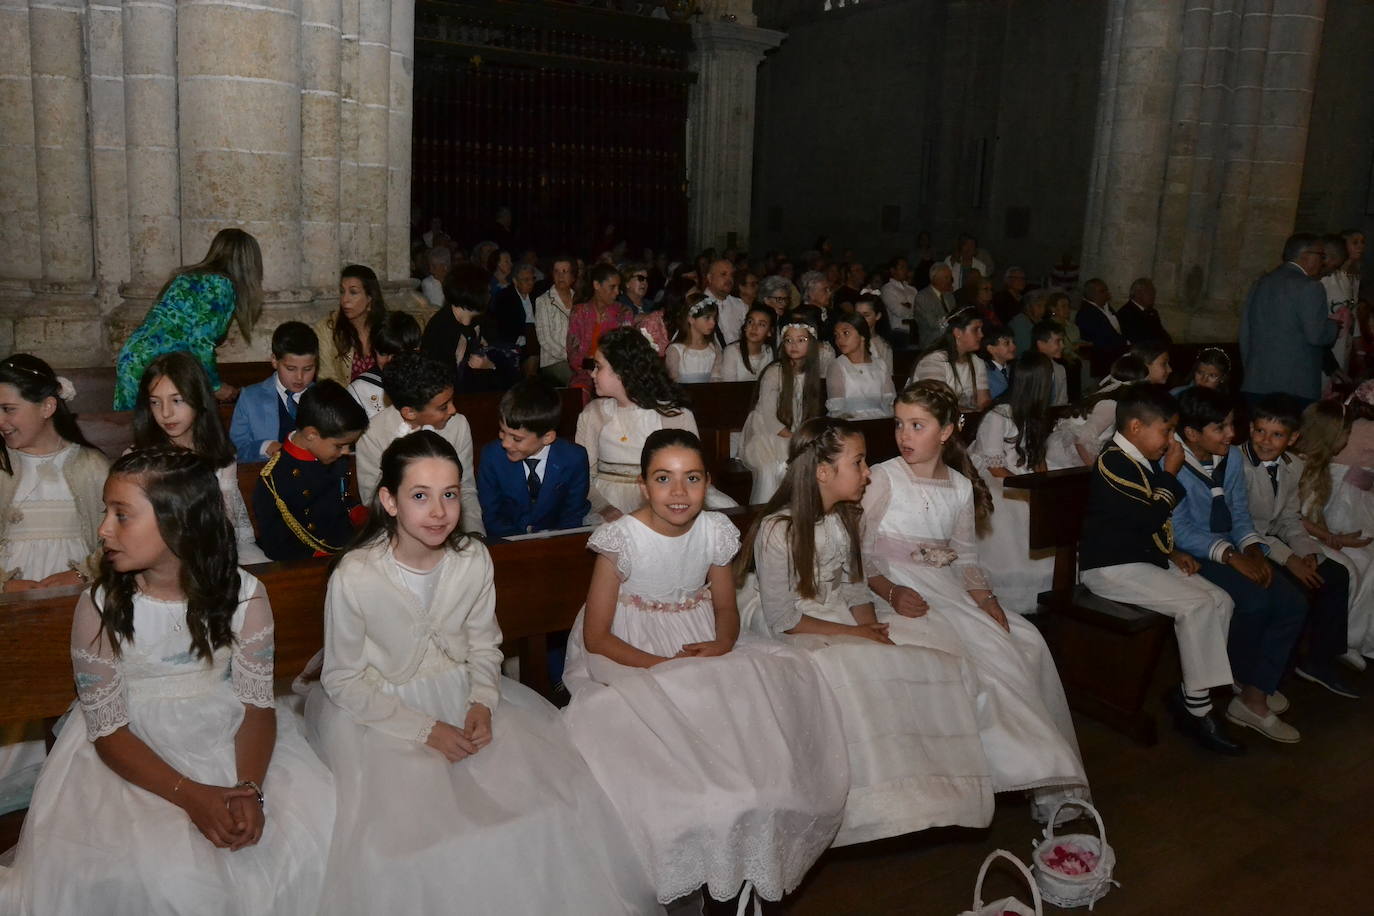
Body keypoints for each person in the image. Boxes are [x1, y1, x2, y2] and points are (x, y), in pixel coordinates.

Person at [302, 432, 658, 915]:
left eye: (449, 494)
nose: (439, 511)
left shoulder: (471, 559)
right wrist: (426, 730)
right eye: (420, 496)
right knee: (420, 845)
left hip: (467, 694)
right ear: (388, 500)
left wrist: (481, 702)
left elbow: (484, 646)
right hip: (384, 715)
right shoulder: (356, 574)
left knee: (550, 809)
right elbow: (342, 679)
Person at [0, 448, 334, 914]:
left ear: (179, 521)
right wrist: (192, 796)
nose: (103, 529)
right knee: (168, 878)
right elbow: (108, 730)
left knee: (312, 842)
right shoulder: (100, 606)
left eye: (121, 515)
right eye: (106, 512)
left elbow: (257, 706)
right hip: (133, 760)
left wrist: (249, 790)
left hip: (232, 742)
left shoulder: (245, 595)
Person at [560, 429, 848, 907]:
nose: (678, 493)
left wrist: (723, 642)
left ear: (707, 482)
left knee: (750, 725)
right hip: (629, 650)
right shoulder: (621, 539)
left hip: (699, 642)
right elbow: (597, 637)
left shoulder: (714, 531)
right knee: (672, 758)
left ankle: (741, 859)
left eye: (691, 479)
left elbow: (726, 609)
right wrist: (659, 666)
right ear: (643, 485)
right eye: (664, 479)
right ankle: (686, 856)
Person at [737, 418, 994, 844]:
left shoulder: (843, 519)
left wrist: (869, 625)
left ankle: (925, 794)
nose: (868, 472)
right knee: (851, 673)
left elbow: (855, 587)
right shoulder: (776, 530)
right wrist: (857, 637)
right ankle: (857, 806)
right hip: (797, 622)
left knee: (911, 657)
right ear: (823, 471)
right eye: (859, 463)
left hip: (834, 610)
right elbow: (785, 618)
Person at [860, 381, 1088, 821]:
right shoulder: (883, 478)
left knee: (1023, 639)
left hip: (945, 586)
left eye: (917, 425)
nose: (904, 435)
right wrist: (890, 590)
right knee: (973, 657)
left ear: (946, 432)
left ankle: (1043, 772)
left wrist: (987, 601)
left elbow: (965, 557)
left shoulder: (961, 487)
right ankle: (1005, 764)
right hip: (895, 585)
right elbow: (859, 551)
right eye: (899, 424)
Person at [1077, 384, 1243, 755]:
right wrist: (1170, 472)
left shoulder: (1139, 458)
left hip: (1143, 559)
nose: (1170, 440)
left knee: (1220, 600)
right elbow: (1149, 516)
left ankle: (1191, 692)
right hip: (1110, 567)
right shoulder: (1113, 461)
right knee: (1196, 606)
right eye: (1166, 431)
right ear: (1136, 426)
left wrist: (1172, 552)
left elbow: (1151, 526)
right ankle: (1198, 711)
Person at [0, 357, 108, 815]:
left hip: (73, 602)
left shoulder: (88, 466)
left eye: (8, 409)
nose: (0, 422)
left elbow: (115, 541)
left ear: (47, 407)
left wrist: (82, 574)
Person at [1172, 386, 1308, 744]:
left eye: (1232, 424)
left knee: (1293, 602)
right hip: (1193, 552)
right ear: (1192, 434)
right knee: (1255, 601)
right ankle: (1247, 688)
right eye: (1221, 428)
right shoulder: (1172, 461)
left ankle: (1253, 689)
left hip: (1230, 547)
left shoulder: (1229, 457)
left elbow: (1239, 514)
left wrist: (1252, 549)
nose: (1232, 435)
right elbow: (1180, 529)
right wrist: (1231, 556)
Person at [1241, 394, 1357, 696]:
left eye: (1277, 435)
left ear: (1293, 438)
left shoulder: (1291, 465)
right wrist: (1289, 558)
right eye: (1259, 431)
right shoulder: (1237, 465)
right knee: (1295, 591)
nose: (1265, 442)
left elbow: (1289, 518)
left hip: (1273, 538)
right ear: (1250, 429)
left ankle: (1318, 661)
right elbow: (1244, 527)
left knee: (1334, 574)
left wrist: (1307, 552)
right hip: (1246, 544)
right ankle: (1268, 673)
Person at [576, 327, 734, 521]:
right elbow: (582, 476)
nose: (592, 374)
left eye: (598, 367)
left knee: (724, 513)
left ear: (622, 371)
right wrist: (604, 507)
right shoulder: (594, 414)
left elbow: (693, 469)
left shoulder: (675, 415)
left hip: (665, 493)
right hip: (609, 500)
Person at [132, 352, 268, 566]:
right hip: (158, 557)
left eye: (177, 400)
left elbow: (226, 522)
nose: (166, 413)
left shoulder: (220, 457)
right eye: (155, 403)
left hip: (213, 552)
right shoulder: (138, 461)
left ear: (199, 399)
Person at [113, 228, 263, 409]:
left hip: (134, 356)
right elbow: (200, 341)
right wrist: (216, 386)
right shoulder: (220, 285)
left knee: (134, 424)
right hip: (159, 366)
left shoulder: (187, 277)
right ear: (248, 263)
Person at [354, 352, 484, 535]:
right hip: (397, 533)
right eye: (443, 407)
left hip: (450, 527)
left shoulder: (458, 425)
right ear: (410, 413)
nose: (453, 410)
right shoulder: (373, 435)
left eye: (452, 401)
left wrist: (474, 535)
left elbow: (467, 490)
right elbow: (374, 501)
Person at [969, 354, 1058, 612]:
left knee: (1051, 501)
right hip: (996, 477)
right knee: (1017, 508)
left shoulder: (1034, 414)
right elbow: (994, 465)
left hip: (1022, 474)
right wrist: (1028, 486)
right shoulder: (998, 415)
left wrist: (1044, 483)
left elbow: (1037, 456)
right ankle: (1012, 592)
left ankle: (1050, 589)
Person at [1295, 398, 1374, 670]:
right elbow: (1295, 518)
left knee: (1363, 559)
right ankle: (1328, 649)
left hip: (1311, 533)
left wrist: (1336, 535)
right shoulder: (1299, 465)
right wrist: (1336, 540)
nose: (1349, 440)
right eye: (1346, 434)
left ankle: (1345, 639)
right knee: (1351, 567)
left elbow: (1316, 514)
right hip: (1293, 536)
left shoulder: (1321, 466)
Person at [253, 381, 368, 561]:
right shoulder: (274, 479)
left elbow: (340, 498)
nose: (346, 452)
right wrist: (319, 555)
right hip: (309, 564)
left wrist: (359, 512)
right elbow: (276, 545)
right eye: (340, 445)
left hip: (347, 548)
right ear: (311, 434)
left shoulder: (334, 457)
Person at [477, 379, 590, 538]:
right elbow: (491, 514)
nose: (505, 443)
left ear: (547, 437)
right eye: (502, 432)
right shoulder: (492, 456)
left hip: (557, 542)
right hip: (506, 542)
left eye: (517, 439)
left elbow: (573, 513)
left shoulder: (574, 458)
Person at [1239, 233, 1337, 407]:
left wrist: (1249, 370)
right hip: (1295, 386)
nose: (1323, 262)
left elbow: (1245, 332)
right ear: (1305, 255)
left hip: (1256, 381)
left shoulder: (1261, 283)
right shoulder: (1310, 287)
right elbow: (1316, 335)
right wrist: (1333, 326)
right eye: (1321, 256)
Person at [741, 316, 825, 504]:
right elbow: (769, 417)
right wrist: (795, 439)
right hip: (767, 435)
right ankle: (769, 512)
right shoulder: (775, 372)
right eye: (788, 340)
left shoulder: (812, 375)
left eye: (801, 340)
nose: (793, 345)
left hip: (794, 434)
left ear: (811, 344)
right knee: (775, 467)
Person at [229, 321, 318, 462]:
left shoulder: (324, 397)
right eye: (291, 369)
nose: (299, 377)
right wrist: (265, 446)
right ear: (274, 361)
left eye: (307, 369)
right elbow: (234, 451)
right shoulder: (250, 398)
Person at [421, 262, 513, 394]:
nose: (490, 294)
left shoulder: (483, 319)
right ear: (472, 292)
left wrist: (489, 365)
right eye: (486, 290)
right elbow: (438, 381)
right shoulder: (441, 328)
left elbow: (501, 357)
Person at [1048, 353, 1150, 468]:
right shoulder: (1111, 405)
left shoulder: (1105, 396)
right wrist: (1096, 472)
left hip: (1069, 452)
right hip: (1066, 459)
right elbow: (1082, 442)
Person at [567, 263, 635, 394]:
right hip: (584, 374)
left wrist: (604, 371)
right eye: (612, 287)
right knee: (578, 394)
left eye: (618, 287)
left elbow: (625, 350)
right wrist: (592, 370)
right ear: (597, 285)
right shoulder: (579, 312)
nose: (617, 292)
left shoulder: (624, 312)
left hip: (614, 375)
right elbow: (573, 353)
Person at [317, 264, 388, 384]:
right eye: (342, 292)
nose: (345, 299)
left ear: (370, 297)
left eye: (353, 292)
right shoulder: (328, 328)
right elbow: (326, 380)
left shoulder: (388, 327)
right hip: (342, 400)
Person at [911, 307, 990, 411]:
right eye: (976, 330)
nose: (981, 335)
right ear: (957, 332)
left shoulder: (977, 362)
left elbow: (983, 402)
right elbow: (935, 404)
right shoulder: (933, 361)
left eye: (981, 329)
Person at [347, 310, 421, 418]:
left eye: (396, 355)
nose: (388, 361)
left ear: (415, 351)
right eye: (382, 353)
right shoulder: (359, 390)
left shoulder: (430, 383)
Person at [825, 312, 895, 419]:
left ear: (862, 335)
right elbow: (837, 410)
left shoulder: (880, 365)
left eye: (846, 333)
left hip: (880, 423)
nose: (840, 340)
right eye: (837, 335)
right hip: (850, 425)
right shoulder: (837, 366)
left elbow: (889, 403)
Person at [534, 254, 576, 386]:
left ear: (573, 276)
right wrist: (569, 356)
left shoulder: (580, 299)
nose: (560, 276)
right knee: (576, 381)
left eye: (564, 271)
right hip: (554, 361)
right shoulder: (543, 301)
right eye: (556, 271)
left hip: (579, 359)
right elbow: (545, 339)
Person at [1076, 278, 1127, 379]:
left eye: (1106, 290)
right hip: (1102, 359)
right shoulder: (1087, 313)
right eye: (1102, 291)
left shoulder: (1106, 307)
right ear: (1091, 294)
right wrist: (1126, 343)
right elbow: (1102, 338)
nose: (1107, 294)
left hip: (1115, 354)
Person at [665, 297, 722, 383]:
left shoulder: (713, 349)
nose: (713, 323)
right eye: (707, 318)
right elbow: (673, 382)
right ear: (691, 319)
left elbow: (716, 378)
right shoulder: (676, 350)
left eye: (714, 318)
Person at [716, 304, 776, 381]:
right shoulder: (732, 351)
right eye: (750, 322)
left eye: (761, 324)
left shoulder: (768, 351)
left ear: (770, 332)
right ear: (745, 326)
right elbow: (728, 388)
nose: (754, 327)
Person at [700, 258, 748, 345]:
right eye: (723, 274)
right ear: (710, 278)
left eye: (731, 275)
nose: (729, 279)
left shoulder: (740, 305)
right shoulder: (698, 305)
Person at [913, 263, 958, 350]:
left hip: (949, 337)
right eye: (946, 277)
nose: (950, 281)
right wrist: (952, 324)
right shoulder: (923, 297)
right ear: (935, 279)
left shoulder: (949, 296)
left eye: (950, 277)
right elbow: (933, 323)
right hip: (931, 341)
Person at [1116, 278, 1171, 345]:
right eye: (1150, 292)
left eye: (1154, 292)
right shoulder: (1125, 313)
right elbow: (1136, 339)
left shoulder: (1153, 312)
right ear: (1138, 293)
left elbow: (1163, 334)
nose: (1153, 295)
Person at [1029, 318, 1070, 407]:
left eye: (1062, 341)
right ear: (1041, 344)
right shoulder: (1026, 369)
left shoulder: (1060, 369)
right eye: (1058, 341)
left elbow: (1062, 403)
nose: (1063, 346)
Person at [853, 291, 895, 371]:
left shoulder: (883, 346)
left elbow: (888, 376)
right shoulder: (847, 340)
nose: (861, 319)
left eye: (866, 315)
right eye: (857, 315)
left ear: (878, 316)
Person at [1007, 289, 1048, 357]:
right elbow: (1025, 350)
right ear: (1028, 307)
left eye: (1044, 306)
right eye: (1039, 306)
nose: (1043, 309)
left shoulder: (1040, 321)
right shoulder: (1019, 322)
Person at [980, 325, 1016, 402]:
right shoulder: (983, 373)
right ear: (991, 349)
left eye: (1013, 342)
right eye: (1007, 343)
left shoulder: (1015, 368)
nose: (1013, 347)